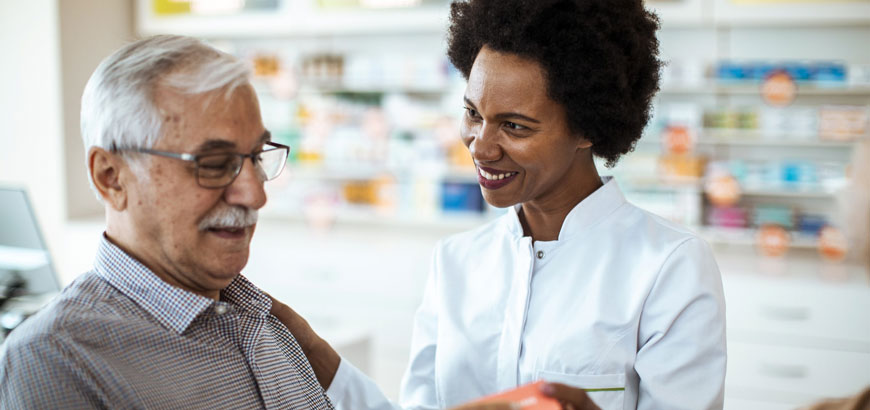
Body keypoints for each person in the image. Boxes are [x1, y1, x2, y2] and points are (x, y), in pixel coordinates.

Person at [0, 34, 588, 410]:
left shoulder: (259, 319)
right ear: (110, 176)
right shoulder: (58, 362)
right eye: (213, 164)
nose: (254, 192)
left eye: (255, 157)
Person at [277, 0, 727, 409]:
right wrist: (323, 362)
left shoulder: (669, 267)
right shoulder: (455, 263)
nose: (481, 146)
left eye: (514, 126)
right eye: (473, 113)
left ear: (587, 127)